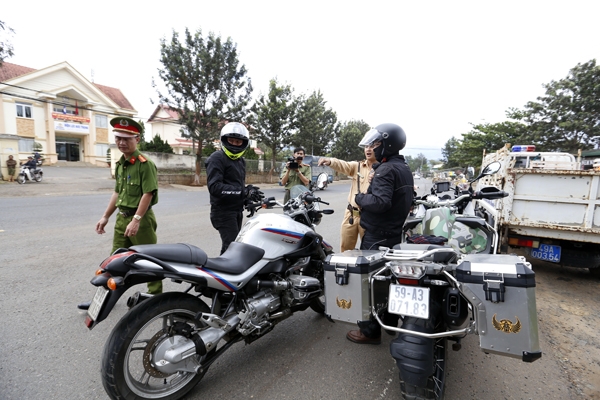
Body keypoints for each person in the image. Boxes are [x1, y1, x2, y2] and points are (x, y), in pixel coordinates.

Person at [78, 117, 160, 310]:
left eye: (127, 138)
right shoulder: (121, 163)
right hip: (122, 219)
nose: (121, 142)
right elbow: (118, 192)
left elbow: (148, 193)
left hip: (141, 221)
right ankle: (103, 299)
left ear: (137, 139)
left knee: (148, 260)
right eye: (118, 138)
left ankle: (156, 298)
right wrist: (105, 216)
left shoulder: (145, 164)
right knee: (113, 261)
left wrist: (137, 219)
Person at [346, 123, 414, 345]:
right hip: (394, 233)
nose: (371, 147)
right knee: (390, 280)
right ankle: (391, 321)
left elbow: (380, 202)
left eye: (375, 143)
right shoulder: (402, 167)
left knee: (369, 283)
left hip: (378, 235)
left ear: (387, 144)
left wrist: (359, 198)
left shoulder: (386, 169)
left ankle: (369, 331)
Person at [317, 146, 377, 252]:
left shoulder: (382, 169)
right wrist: (330, 161)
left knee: (369, 250)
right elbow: (343, 165)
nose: (368, 149)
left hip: (369, 216)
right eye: (366, 147)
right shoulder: (357, 166)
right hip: (351, 215)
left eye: (372, 147)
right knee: (345, 249)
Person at [205, 122, 250, 255]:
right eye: (232, 140)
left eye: (238, 141)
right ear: (224, 140)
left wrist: (247, 197)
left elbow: (236, 186)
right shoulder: (216, 158)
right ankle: (223, 274)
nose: (235, 144)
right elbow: (215, 187)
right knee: (233, 249)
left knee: (230, 247)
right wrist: (243, 192)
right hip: (222, 212)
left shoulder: (240, 161)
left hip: (236, 211)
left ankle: (219, 272)